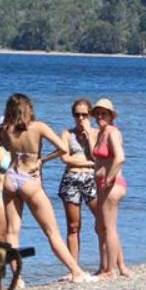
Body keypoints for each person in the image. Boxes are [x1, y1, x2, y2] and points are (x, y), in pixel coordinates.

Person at [0, 93, 93, 283]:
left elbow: (7, 150)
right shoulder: (38, 127)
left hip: (11, 178)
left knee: (12, 232)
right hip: (30, 180)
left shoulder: (5, 128)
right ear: (28, 108)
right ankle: (76, 272)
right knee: (51, 231)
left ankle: (17, 279)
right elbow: (63, 149)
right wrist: (42, 160)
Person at [44, 98, 102, 266]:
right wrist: (88, 163)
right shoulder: (67, 134)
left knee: (102, 221)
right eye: (77, 115)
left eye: (84, 114)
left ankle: (105, 264)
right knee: (73, 226)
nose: (81, 118)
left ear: (90, 115)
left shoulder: (97, 133)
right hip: (72, 179)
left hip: (91, 179)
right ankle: (73, 267)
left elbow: (96, 157)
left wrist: (88, 135)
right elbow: (65, 158)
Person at [91, 98, 131, 278]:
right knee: (101, 227)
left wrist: (109, 178)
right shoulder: (101, 132)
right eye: (97, 113)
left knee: (109, 228)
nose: (100, 116)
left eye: (104, 113)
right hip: (102, 185)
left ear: (111, 116)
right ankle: (106, 267)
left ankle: (110, 270)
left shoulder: (113, 132)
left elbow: (120, 157)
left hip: (112, 185)